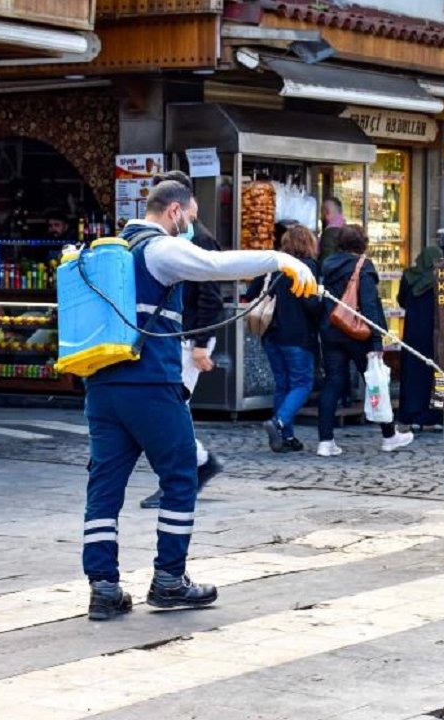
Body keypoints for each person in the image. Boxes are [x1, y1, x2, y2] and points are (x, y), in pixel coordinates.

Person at [80, 179, 316, 621]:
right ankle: (170, 579)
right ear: (173, 211)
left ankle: (103, 588)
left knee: (104, 488)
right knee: (181, 478)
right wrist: (279, 259)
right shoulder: (158, 249)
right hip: (150, 385)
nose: (190, 224)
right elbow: (212, 264)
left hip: (102, 387)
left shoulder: (103, 251)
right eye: (189, 215)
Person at [137, 173, 226, 510]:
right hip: (179, 337)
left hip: (191, 339)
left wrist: (201, 343)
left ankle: (187, 472)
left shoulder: (199, 240)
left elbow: (210, 298)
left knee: (170, 410)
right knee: (171, 409)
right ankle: (196, 465)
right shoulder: (172, 240)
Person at [317, 224, 414, 457]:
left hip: (332, 330)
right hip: (358, 333)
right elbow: (370, 305)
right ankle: (389, 436)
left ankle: (325, 441)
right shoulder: (363, 266)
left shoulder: (327, 266)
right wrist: (377, 341)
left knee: (332, 383)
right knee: (375, 382)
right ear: (362, 244)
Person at [247, 224, 321, 452]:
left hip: (271, 334)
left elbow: (250, 294)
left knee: (283, 385)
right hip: (297, 336)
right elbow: (311, 304)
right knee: (302, 384)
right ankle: (278, 423)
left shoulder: (273, 266)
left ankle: (286, 437)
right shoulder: (306, 267)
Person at [396, 246, 444, 429]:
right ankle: (433, 416)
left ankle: (413, 415)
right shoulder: (441, 277)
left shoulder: (409, 276)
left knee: (412, 374)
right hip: (435, 334)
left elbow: (401, 300)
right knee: (433, 374)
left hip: (412, 333)